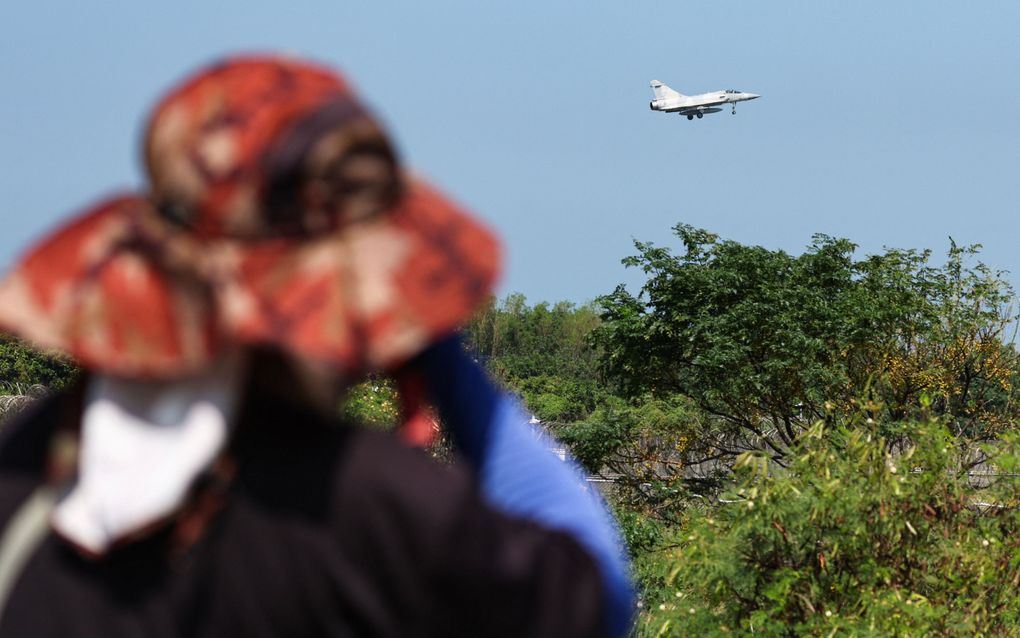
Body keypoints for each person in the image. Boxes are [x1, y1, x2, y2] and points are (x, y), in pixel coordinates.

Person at [0, 55, 634, 636]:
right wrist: (443, 358)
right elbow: (599, 591)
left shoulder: (30, 457)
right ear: (353, 292)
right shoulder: (368, 503)